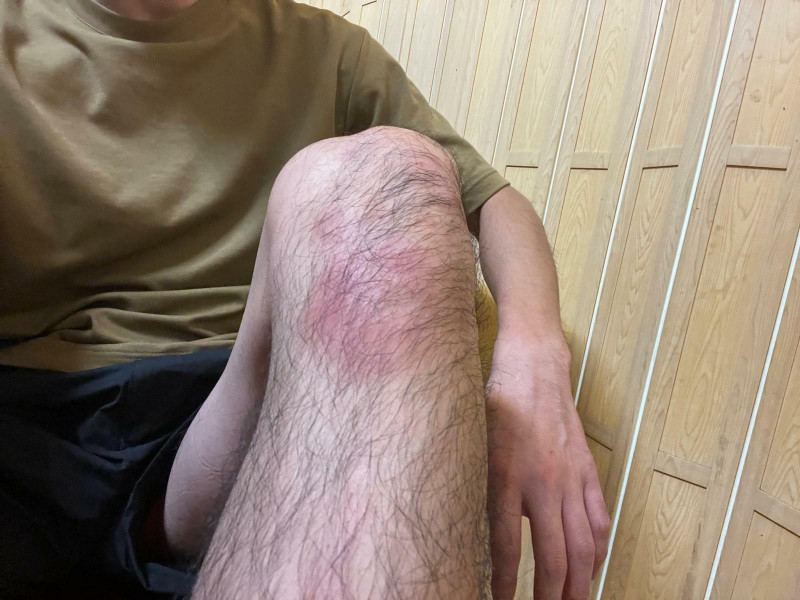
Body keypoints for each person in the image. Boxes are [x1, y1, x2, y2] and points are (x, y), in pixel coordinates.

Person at [0, 0, 610, 598]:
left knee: (394, 170)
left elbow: (498, 205)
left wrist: (534, 362)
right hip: (43, 422)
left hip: (254, 411)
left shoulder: (328, 50)